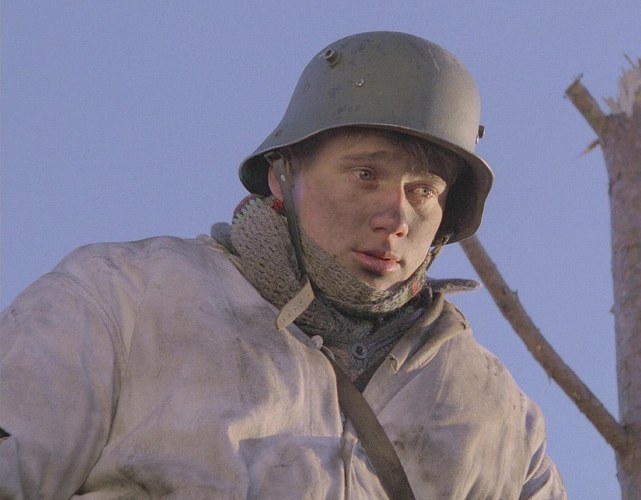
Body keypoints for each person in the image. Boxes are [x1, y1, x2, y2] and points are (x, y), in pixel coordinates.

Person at [0, 31, 567, 498]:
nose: (395, 216)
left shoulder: (500, 417)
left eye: (423, 191)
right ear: (282, 175)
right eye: (365, 174)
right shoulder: (123, 301)